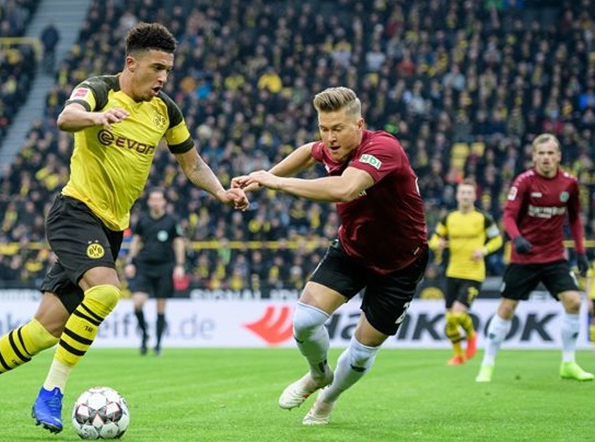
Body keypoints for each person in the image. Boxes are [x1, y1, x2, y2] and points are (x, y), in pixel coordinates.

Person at [0, 22, 249, 434]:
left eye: (168, 70)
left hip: (111, 229)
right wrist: (96, 116)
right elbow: (66, 117)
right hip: (75, 212)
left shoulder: (166, 110)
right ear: (131, 63)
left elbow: (192, 164)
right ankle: (51, 392)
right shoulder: (98, 89)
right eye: (156, 68)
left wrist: (221, 191)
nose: (163, 78)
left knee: (44, 331)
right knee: (105, 291)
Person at [233, 86, 428, 425]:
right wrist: (265, 178)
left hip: (401, 264)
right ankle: (317, 374)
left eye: (337, 128)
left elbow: (345, 189)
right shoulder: (331, 147)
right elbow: (309, 152)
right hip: (353, 250)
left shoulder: (383, 148)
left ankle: (328, 398)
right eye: (324, 128)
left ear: (359, 124)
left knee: (362, 353)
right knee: (304, 321)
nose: (330, 137)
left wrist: (276, 183)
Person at [475, 133, 591, 383]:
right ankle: (487, 364)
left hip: (554, 256)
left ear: (558, 156)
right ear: (534, 156)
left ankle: (568, 363)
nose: (546, 157)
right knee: (506, 308)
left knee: (574, 302)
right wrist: (516, 238)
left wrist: (581, 252)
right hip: (524, 258)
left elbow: (574, 219)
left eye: (551, 153)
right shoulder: (524, 181)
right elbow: (508, 216)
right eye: (541, 153)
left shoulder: (570, 183)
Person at [428, 178, 503, 366]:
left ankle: (471, 335)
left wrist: (484, 250)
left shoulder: (483, 218)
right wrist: (438, 243)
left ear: (474, 196)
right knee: (450, 320)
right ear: (457, 195)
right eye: (463, 192)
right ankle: (458, 355)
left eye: (469, 193)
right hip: (452, 272)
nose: (466, 196)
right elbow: (434, 239)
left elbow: (498, 240)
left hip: (473, 273)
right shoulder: (449, 218)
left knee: (458, 315)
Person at [124, 187, 185, 355]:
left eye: (159, 199)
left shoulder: (171, 221)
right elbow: (136, 241)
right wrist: (130, 262)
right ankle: (144, 335)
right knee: (137, 303)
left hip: (164, 266)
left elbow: (179, 242)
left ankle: (158, 344)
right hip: (144, 266)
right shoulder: (143, 220)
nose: (156, 202)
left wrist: (180, 265)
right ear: (149, 202)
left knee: (161, 305)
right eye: (153, 199)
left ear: (164, 202)